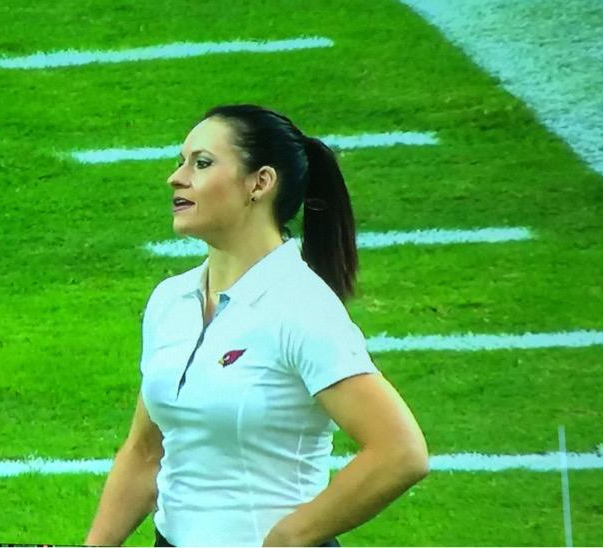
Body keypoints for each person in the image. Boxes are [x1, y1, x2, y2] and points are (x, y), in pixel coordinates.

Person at [85, 105, 429, 547]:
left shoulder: (301, 308)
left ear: (260, 183)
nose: (177, 177)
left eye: (202, 163)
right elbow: (145, 452)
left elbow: (400, 452)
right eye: (181, 161)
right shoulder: (169, 300)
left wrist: (288, 537)